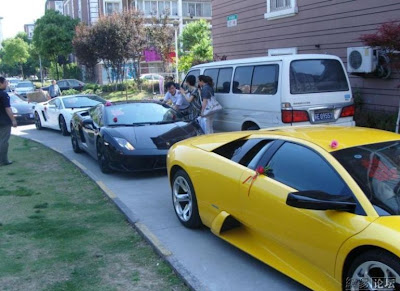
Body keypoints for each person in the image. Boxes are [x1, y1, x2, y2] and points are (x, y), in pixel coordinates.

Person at [0, 77, 18, 166]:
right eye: (5, 83)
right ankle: (3, 160)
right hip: (3, 121)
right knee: (3, 141)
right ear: (1, 83)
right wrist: (13, 120)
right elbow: (7, 108)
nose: (6, 84)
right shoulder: (3, 95)